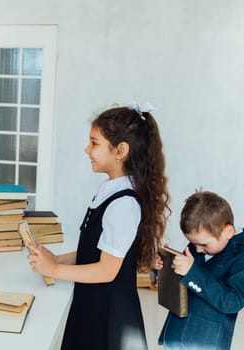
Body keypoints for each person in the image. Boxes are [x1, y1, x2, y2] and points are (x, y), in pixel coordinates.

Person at [27, 103, 171, 350]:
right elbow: (98, 251)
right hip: (93, 306)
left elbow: (106, 270)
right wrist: (59, 260)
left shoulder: (124, 204)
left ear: (120, 151)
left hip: (109, 318)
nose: (87, 149)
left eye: (94, 143)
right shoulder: (111, 192)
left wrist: (53, 269)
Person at [156, 191, 244, 350]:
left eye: (204, 245)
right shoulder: (199, 245)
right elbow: (185, 283)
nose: (198, 250)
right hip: (174, 335)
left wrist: (192, 273)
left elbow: (232, 302)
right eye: (193, 244)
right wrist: (164, 267)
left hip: (205, 340)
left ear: (227, 231)